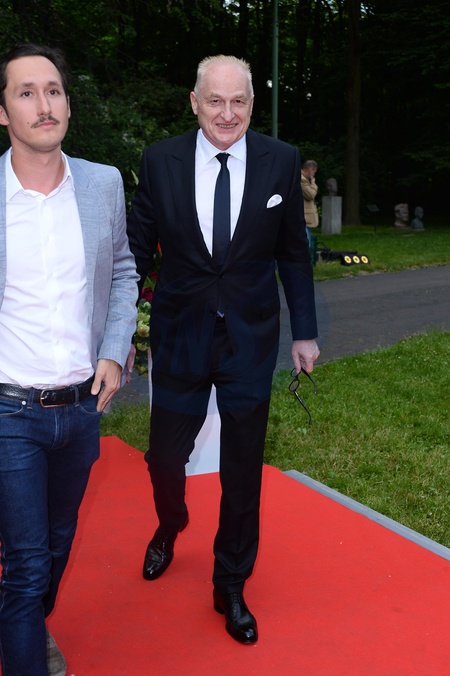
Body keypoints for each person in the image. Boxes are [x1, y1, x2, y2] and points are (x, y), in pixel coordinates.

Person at [127, 54, 319, 645]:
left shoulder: (280, 161)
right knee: (165, 459)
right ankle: (171, 523)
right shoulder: (159, 161)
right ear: (194, 102)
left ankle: (230, 582)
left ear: (252, 105)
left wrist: (305, 332)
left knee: (242, 470)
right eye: (215, 101)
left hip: (250, 341)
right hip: (180, 336)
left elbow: (293, 254)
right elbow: (135, 253)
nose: (227, 114)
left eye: (239, 102)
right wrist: (115, 335)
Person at [0, 43, 138, 675]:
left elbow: (123, 272)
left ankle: (19, 625)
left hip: (82, 408)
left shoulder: (102, 183)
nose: (44, 103)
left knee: (55, 549)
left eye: (53, 90)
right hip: (9, 411)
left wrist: (114, 349)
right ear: (4, 112)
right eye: (26, 92)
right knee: (28, 564)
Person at [301, 159, 319, 246]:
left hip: (306, 218)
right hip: (304, 217)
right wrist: (313, 184)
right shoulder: (302, 179)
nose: (314, 174)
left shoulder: (304, 179)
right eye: (314, 172)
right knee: (305, 244)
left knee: (307, 243)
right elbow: (310, 195)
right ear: (310, 169)